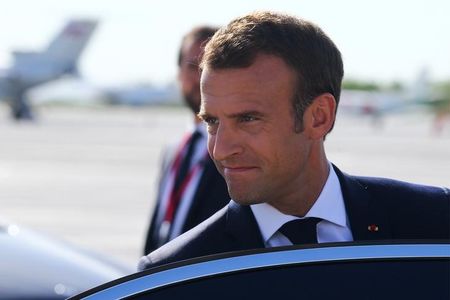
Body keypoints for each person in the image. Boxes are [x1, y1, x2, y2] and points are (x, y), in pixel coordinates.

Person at [139, 12, 449, 270]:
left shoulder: (434, 222)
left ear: (319, 117)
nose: (220, 150)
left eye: (248, 119)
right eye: (212, 122)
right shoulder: (177, 274)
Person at [143, 26, 230, 254]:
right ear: (178, 73)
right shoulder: (174, 150)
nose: (201, 76)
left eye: (211, 66)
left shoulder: (236, 151)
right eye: (192, 66)